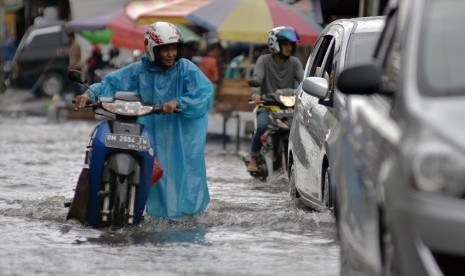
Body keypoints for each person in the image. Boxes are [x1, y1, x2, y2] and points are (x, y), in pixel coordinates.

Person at [74, 22, 214, 219]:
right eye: (165, 50)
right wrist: (89, 94)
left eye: (173, 49)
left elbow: (204, 93)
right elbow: (111, 82)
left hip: (178, 138)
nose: (171, 54)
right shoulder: (138, 70)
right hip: (148, 133)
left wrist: (177, 102)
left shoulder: (187, 69)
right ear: (152, 49)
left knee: (180, 179)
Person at [247, 26, 304, 172]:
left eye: (291, 44)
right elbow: (257, 77)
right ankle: (253, 158)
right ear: (275, 44)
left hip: (288, 105)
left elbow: (303, 80)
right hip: (267, 104)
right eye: (285, 44)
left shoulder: (295, 63)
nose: (289, 48)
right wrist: (255, 93)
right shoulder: (263, 60)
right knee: (262, 125)